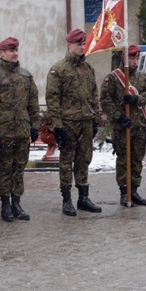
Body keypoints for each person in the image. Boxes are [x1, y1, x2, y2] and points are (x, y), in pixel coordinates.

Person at [0, 37, 40, 222]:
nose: (14, 53)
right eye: (10, 50)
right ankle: (5, 204)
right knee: (5, 168)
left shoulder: (25, 75)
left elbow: (33, 103)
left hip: (22, 129)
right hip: (2, 131)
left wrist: (35, 126)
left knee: (19, 168)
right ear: (2, 53)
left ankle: (17, 203)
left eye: (16, 50)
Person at [46, 29, 101, 216]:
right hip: (68, 123)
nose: (81, 47)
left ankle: (83, 198)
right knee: (66, 161)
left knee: (84, 160)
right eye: (78, 44)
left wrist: (95, 119)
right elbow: (52, 99)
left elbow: (94, 95)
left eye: (83, 44)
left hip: (85, 121)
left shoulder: (88, 69)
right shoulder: (58, 69)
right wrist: (58, 126)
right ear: (69, 45)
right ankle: (67, 199)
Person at [99, 45, 146, 206]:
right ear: (124, 58)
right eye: (131, 58)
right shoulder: (114, 78)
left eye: (137, 58)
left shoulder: (142, 78)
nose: (135, 61)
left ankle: (134, 189)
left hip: (139, 126)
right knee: (124, 160)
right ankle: (124, 192)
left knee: (137, 160)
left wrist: (138, 99)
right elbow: (105, 100)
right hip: (122, 127)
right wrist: (119, 116)